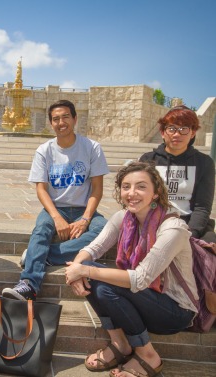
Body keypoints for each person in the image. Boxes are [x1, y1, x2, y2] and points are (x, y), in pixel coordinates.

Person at [65, 161, 198, 377]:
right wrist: (78, 268)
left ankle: (147, 355)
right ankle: (120, 344)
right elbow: (94, 248)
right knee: (94, 275)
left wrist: (84, 272)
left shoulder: (173, 228)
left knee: (103, 283)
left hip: (175, 310)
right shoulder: (124, 218)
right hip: (143, 300)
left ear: (156, 193)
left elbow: (140, 279)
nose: (132, 193)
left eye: (141, 187)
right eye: (126, 186)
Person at [2, 99, 109, 301]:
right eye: (56, 119)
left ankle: (41, 255)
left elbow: (97, 189)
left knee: (106, 230)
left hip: (83, 208)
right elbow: (41, 189)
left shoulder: (92, 147)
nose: (61, 122)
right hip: (55, 208)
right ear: (51, 123)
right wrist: (56, 217)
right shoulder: (44, 150)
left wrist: (86, 219)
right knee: (41, 230)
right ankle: (28, 284)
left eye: (65, 117)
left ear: (75, 119)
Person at [140, 105, 216, 243]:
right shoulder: (148, 160)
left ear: (192, 133)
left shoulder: (205, 163)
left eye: (184, 129)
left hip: (188, 223)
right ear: (163, 132)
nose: (177, 134)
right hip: (154, 220)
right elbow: (140, 199)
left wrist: (190, 234)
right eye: (172, 128)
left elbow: (202, 207)